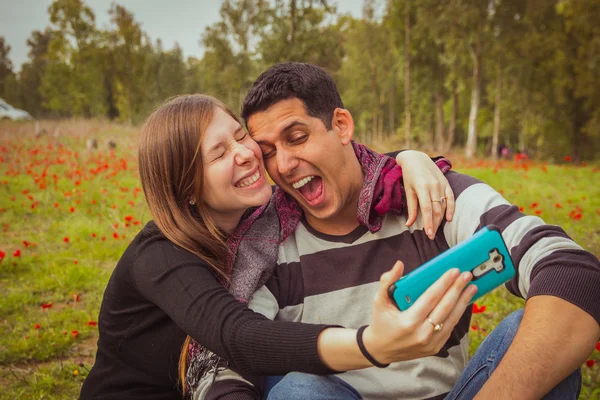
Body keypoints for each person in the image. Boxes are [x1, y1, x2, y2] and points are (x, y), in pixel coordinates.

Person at [200, 62, 600, 400]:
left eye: (297, 137)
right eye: (267, 152)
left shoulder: (433, 196)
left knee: (534, 340)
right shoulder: (267, 244)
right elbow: (235, 347)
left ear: (341, 125)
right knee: (299, 390)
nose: (283, 165)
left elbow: (574, 272)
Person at [79, 94, 460, 400]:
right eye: (218, 153)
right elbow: (239, 337)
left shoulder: (262, 218)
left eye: (239, 136)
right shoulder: (161, 256)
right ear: (187, 190)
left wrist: (410, 159)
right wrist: (372, 345)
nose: (245, 153)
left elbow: (346, 169)